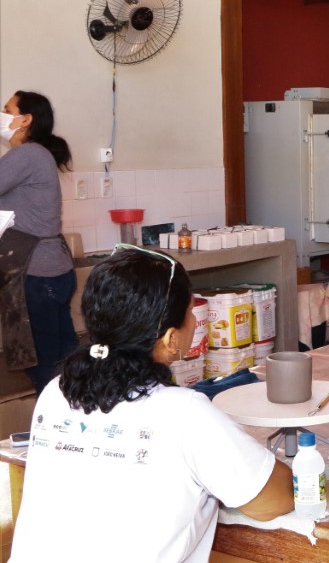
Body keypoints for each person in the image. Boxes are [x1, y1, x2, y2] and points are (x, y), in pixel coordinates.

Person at [11, 246, 293, 562]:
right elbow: (272, 500)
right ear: (172, 339)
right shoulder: (185, 413)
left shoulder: (56, 392)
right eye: (191, 312)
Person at [0, 91, 78, 393]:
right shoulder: (34, 155)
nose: (3, 114)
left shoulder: (28, 154)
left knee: (44, 364)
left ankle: (58, 431)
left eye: (7, 109)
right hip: (50, 271)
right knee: (63, 360)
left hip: (36, 274)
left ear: (25, 119)